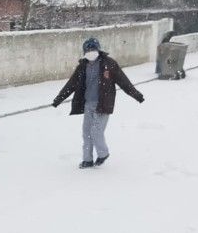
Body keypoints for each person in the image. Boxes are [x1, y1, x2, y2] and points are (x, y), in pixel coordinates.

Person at [51, 37, 145, 168]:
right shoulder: (82, 66)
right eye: (88, 50)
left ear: (98, 49)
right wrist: (58, 99)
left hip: (103, 104)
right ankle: (87, 160)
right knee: (86, 133)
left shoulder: (109, 64)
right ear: (84, 52)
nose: (91, 52)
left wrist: (137, 95)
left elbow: (124, 82)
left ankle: (103, 153)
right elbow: (71, 84)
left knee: (96, 131)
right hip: (88, 104)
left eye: (93, 49)